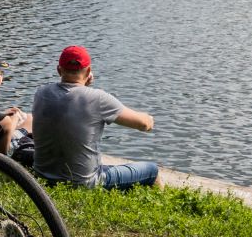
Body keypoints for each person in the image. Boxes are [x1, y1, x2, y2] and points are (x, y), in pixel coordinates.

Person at [30, 45, 157, 190]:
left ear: (59, 70)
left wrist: (83, 86)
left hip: (41, 177)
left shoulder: (41, 92)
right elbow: (143, 124)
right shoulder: (98, 98)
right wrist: (149, 119)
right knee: (153, 170)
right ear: (89, 71)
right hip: (84, 183)